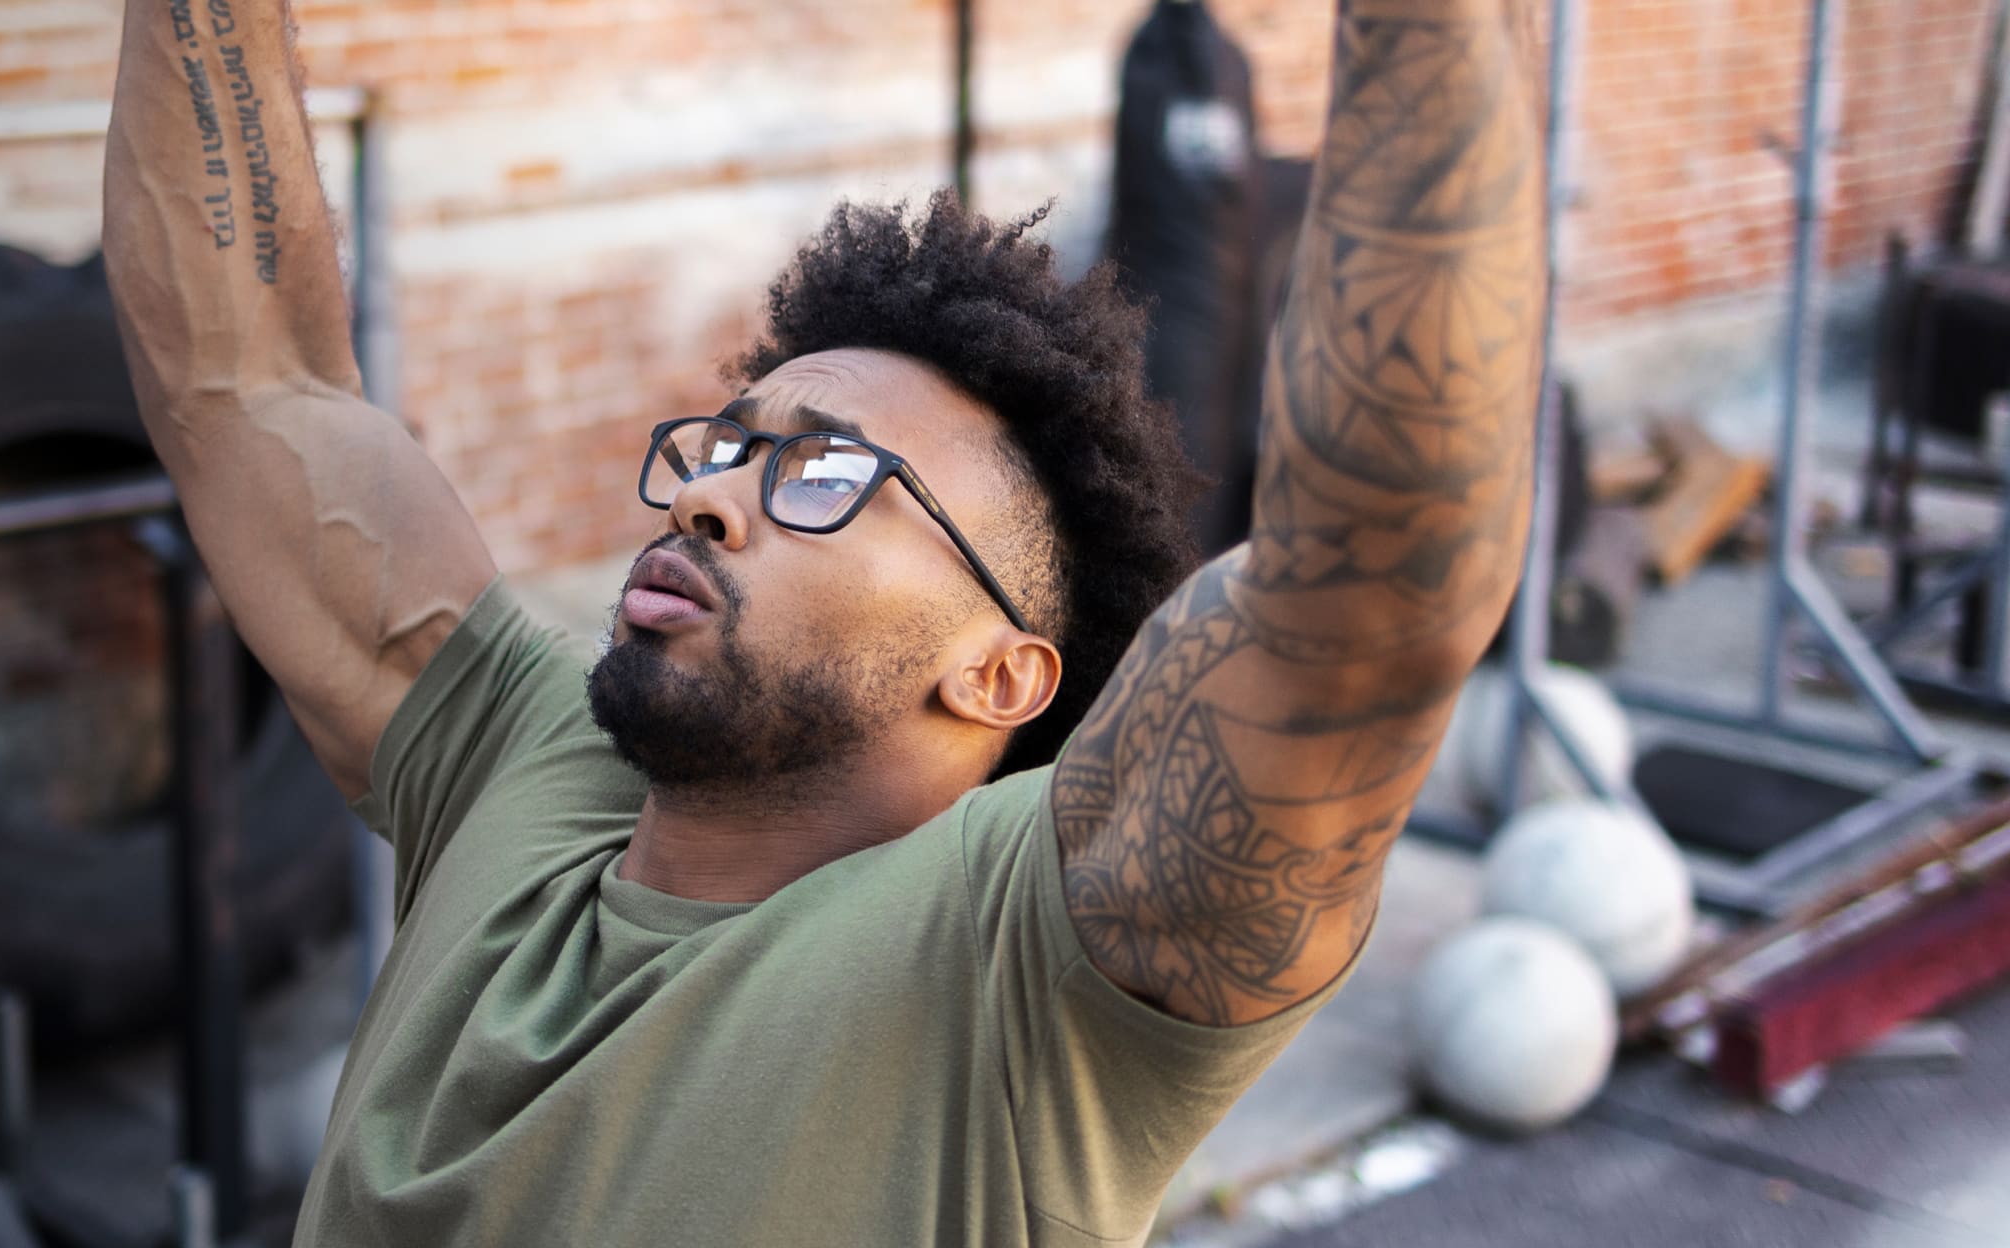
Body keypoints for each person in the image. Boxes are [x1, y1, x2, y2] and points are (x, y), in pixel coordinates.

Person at [103, 0, 1543, 1241]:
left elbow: (1380, 584)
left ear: (1001, 674)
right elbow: (253, 382)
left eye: (832, 474)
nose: (713, 500)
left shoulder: (1025, 972)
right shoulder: (512, 765)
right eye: (726, 446)